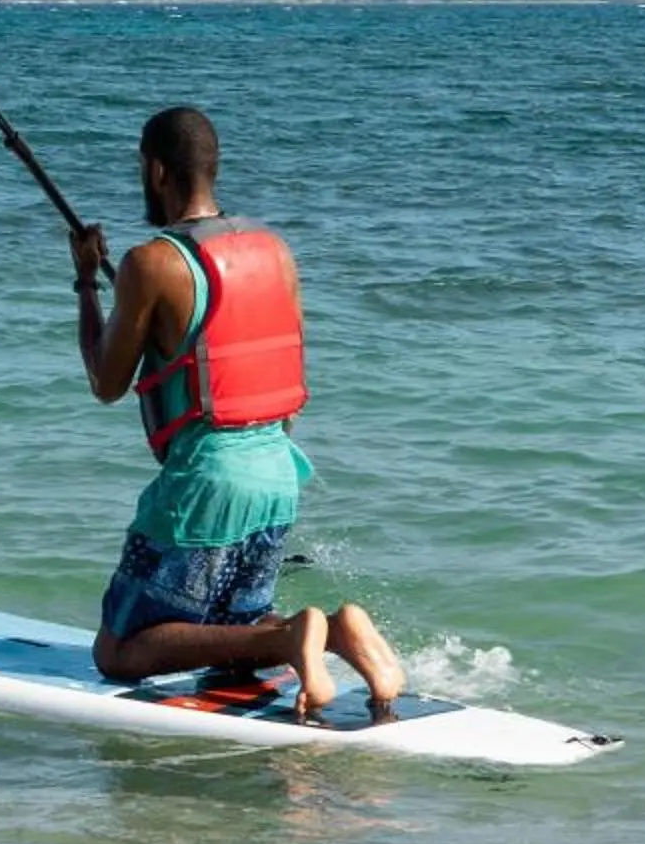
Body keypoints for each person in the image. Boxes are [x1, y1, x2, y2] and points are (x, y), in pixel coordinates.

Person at [72, 106, 406, 721]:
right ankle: (335, 633)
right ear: (214, 166)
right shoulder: (273, 251)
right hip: (278, 470)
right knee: (229, 631)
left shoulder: (151, 263)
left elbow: (106, 382)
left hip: (208, 481)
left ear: (155, 170)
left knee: (117, 652)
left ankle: (292, 637)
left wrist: (87, 283)